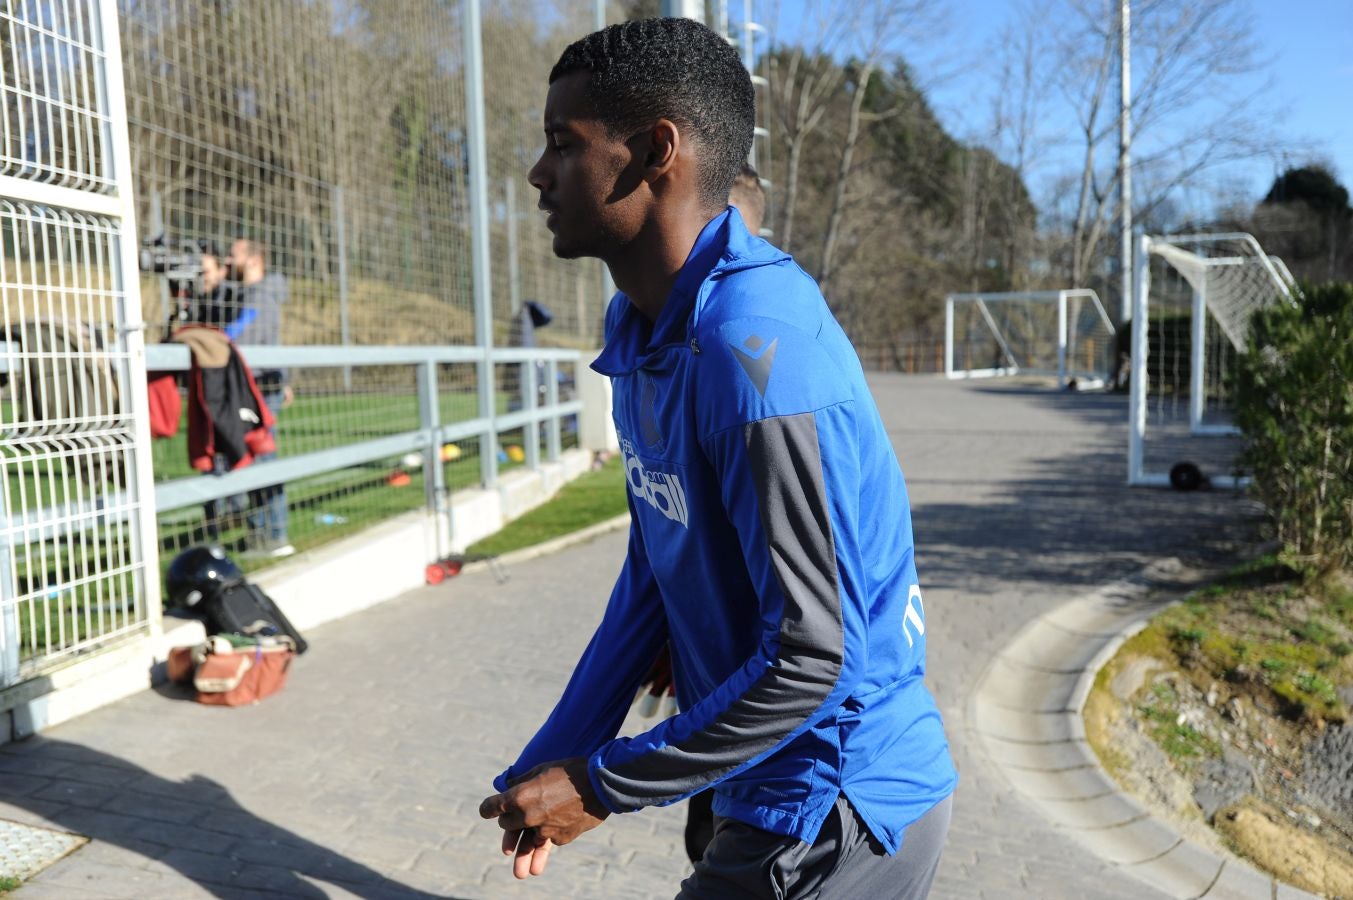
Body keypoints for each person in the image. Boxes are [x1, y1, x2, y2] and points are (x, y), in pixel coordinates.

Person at [477, 18, 957, 899]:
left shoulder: (754, 352)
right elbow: (653, 574)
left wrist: (601, 784)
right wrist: (553, 761)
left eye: (562, 144)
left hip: (834, 802)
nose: (539, 173)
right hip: (744, 774)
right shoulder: (642, 327)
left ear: (655, 151)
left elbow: (817, 657)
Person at [227, 238, 294, 558]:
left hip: (261, 389)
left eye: (234, 254)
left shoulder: (259, 297)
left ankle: (274, 536)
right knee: (255, 458)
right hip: (257, 387)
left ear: (253, 260)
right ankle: (260, 533)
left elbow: (241, 337)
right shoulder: (252, 296)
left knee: (263, 458)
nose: (229, 260)